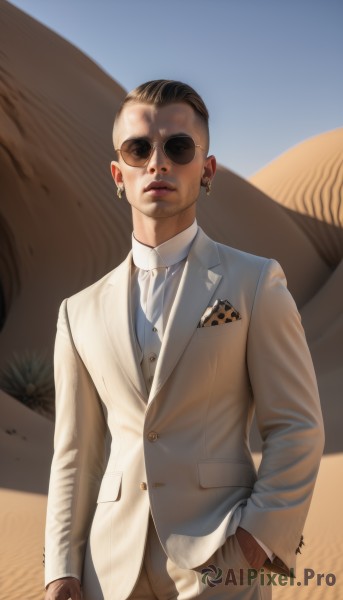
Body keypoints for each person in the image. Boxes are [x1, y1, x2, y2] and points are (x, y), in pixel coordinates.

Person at [44, 80, 324, 600]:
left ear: (207, 170)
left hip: (221, 564)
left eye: (178, 147)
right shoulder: (76, 312)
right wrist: (61, 569)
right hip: (108, 571)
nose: (157, 163)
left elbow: (297, 426)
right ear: (118, 174)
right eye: (138, 149)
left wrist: (253, 544)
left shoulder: (255, 282)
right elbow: (76, 454)